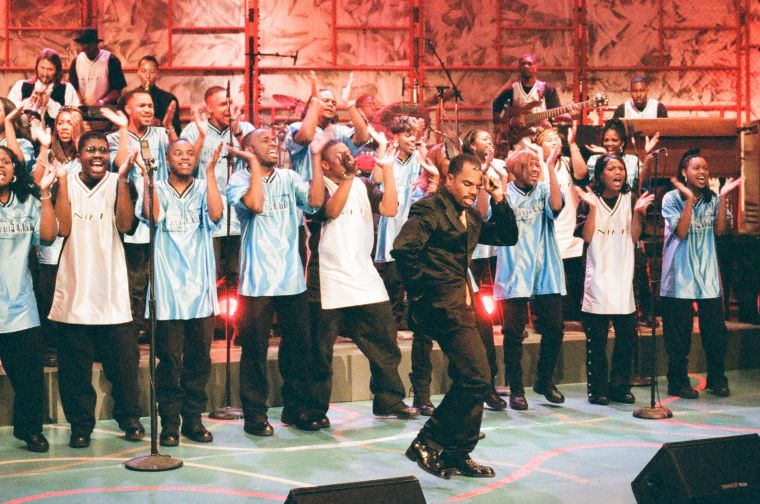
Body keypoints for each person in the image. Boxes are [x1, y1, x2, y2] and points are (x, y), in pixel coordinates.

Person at [393, 153, 517, 479]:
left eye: (477, 186)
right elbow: (403, 248)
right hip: (439, 307)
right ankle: (427, 442)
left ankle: (458, 453)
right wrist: (420, 291)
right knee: (477, 377)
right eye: (466, 183)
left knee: (472, 378)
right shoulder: (429, 209)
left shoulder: (470, 216)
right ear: (449, 179)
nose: (472, 191)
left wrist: (500, 198)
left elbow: (507, 236)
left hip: (461, 306)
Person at [306, 138, 418, 426]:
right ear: (325, 164)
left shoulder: (364, 184)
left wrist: (388, 171)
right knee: (320, 352)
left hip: (363, 276)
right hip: (328, 278)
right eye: (340, 155)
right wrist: (348, 178)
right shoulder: (317, 188)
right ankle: (314, 410)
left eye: (348, 152)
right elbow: (331, 212)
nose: (347, 156)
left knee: (384, 342)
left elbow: (390, 209)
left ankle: (389, 400)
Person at [48, 132, 144, 448]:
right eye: (91, 149)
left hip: (112, 293)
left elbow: (126, 225)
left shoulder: (119, 182)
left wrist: (123, 180)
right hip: (75, 292)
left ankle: (130, 419)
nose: (98, 155)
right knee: (75, 373)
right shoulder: (65, 182)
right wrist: (62, 182)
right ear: (79, 154)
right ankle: (80, 426)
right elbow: (63, 227)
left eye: (103, 149)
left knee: (125, 369)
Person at [227, 128, 325, 435]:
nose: (273, 143)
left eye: (274, 140)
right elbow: (256, 204)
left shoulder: (289, 177)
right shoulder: (239, 179)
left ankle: (296, 409)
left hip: (291, 279)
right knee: (255, 350)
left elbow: (315, 202)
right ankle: (255, 414)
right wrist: (254, 166)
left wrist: (316, 156)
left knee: (298, 348)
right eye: (264, 140)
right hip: (257, 281)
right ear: (248, 148)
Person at [138, 139, 223, 446]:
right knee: (170, 362)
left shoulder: (203, 187)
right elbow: (152, 216)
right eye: (178, 153)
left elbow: (216, 215)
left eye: (190, 153)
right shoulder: (158, 187)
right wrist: (147, 178)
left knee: (199, 361)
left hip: (200, 291)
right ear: (167, 158)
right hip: (167, 292)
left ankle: (194, 420)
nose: (185, 157)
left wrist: (210, 173)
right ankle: (170, 423)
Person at [660, 149, 742, 399]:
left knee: (715, 333)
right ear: (684, 173)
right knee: (679, 336)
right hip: (679, 276)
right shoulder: (671, 198)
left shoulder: (713, 199)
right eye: (696, 168)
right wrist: (689, 200)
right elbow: (681, 232)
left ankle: (717, 378)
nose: (703, 172)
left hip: (707, 276)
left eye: (705, 168)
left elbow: (719, 231)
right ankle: (677, 381)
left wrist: (723, 197)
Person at [575, 154, 654, 404]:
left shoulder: (630, 199)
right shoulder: (590, 200)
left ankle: (619, 387)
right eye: (612, 168)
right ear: (600, 175)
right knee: (597, 343)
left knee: (626, 340)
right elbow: (587, 237)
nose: (618, 172)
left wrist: (639, 214)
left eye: (621, 168)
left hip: (623, 280)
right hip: (597, 279)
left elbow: (633, 237)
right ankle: (598, 390)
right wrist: (593, 209)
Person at [493, 147, 565, 411]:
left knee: (554, 328)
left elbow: (556, 207)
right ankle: (516, 388)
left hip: (545, 268)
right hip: (514, 270)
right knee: (513, 333)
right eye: (529, 165)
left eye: (537, 165)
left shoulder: (544, 190)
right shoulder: (505, 193)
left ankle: (544, 380)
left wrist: (550, 167)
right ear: (516, 169)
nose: (535, 169)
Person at [0, 147, 58, 452]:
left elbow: (47, 237)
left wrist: (45, 193)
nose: (0, 166)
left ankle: (30, 429)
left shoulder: (27, 202)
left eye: (5, 161)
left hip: (20, 306)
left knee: (30, 376)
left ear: (14, 169)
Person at [104, 89, 174, 337]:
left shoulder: (161, 135)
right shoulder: (114, 138)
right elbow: (121, 162)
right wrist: (124, 128)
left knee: (162, 278)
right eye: (142, 105)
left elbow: (181, 158)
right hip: (134, 219)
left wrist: (170, 129)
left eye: (150, 106)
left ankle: (159, 332)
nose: (148, 110)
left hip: (161, 216)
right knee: (135, 280)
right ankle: (133, 333)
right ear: (128, 109)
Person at [180, 86, 255, 289]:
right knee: (209, 278)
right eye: (222, 104)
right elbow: (187, 167)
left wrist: (237, 132)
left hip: (240, 216)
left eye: (230, 103)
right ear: (209, 109)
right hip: (207, 216)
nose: (228, 108)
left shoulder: (245, 129)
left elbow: (258, 161)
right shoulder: (193, 130)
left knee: (240, 279)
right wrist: (201, 137)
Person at [29, 108, 84, 367]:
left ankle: (75, 345)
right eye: (60, 122)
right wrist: (44, 146)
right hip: (53, 233)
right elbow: (37, 180)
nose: (64, 127)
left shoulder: (86, 155)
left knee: (76, 289)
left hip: (79, 230)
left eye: (70, 123)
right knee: (49, 291)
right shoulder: (49, 155)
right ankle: (50, 346)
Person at [374, 115, 423, 328]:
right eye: (408, 135)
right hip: (391, 229)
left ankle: (415, 326)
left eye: (415, 135)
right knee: (393, 284)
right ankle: (392, 327)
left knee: (415, 284)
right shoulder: (389, 157)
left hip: (413, 230)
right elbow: (377, 179)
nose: (413, 139)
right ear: (396, 137)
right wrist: (382, 147)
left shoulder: (419, 158)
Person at [534, 126, 587, 320]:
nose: (555, 142)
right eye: (549, 140)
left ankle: (581, 316)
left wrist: (572, 143)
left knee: (576, 276)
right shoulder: (537, 165)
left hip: (571, 229)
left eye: (557, 138)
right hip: (550, 230)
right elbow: (539, 187)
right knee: (554, 278)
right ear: (539, 146)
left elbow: (581, 174)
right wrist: (541, 159)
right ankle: (555, 318)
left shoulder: (566, 162)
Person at [492, 54, 570, 151]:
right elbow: (497, 111)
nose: (526, 66)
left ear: (536, 67)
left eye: (529, 64)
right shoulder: (511, 90)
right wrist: (510, 121)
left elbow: (555, 112)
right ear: (519, 68)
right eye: (523, 64)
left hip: (543, 136)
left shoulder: (547, 89)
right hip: (519, 137)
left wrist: (569, 114)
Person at [7, 48, 80, 128]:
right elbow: (9, 111)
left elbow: (73, 118)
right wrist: (29, 101)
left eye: (50, 69)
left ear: (57, 70)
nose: (45, 74)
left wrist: (49, 103)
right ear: (36, 67)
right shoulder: (21, 85)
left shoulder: (67, 89)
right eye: (42, 68)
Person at [119, 56, 181, 136]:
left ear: (157, 73)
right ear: (138, 72)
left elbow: (177, 132)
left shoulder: (168, 99)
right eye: (143, 71)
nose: (147, 76)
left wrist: (159, 124)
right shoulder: (127, 98)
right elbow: (119, 128)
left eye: (152, 72)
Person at [68, 27, 127, 106]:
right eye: (82, 43)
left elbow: (117, 89)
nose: (85, 46)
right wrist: (80, 101)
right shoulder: (76, 61)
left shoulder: (111, 60)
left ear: (96, 43)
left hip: (105, 107)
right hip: (83, 107)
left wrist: (102, 101)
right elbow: (73, 86)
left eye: (89, 43)